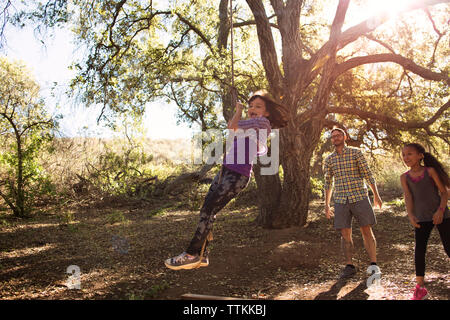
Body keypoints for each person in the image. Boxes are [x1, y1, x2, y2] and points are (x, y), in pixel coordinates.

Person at [165, 90, 289, 270]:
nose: (252, 109)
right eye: (250, 106)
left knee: (208, 210)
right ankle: (202, 255)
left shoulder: (262, 122)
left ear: (267, 112)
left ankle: (191, 254)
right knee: (207, 211)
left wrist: (237, 110)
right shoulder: (250, 126)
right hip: (225, 171)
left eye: (258, 106)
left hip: (237, 175)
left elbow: (232, 125)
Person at [323, 127, 383, 279]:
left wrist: (376, 195)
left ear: (345, 137)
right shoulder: (330, 159)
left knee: (366, 230)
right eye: (333, 136)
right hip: (341, 200)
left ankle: (374, 264)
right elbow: (328, 183)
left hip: (359, 197)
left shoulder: (356, 153)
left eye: (338, 135)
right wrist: (326, 204)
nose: (335, 138)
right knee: (345, 234)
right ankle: (349, 265)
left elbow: (367, 174)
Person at [400, 143, 450, 300]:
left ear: (420, 155)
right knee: (419, 250)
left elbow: (444, 192)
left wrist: (440, 211)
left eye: (409, 154)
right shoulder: (404, 177)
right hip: (421, 218)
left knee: (449, 247)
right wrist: (411, 215)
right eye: (404, 155)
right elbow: (408, 197)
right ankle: (420, 288)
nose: (406, 157)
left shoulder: (430, 171)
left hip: (441, 215)